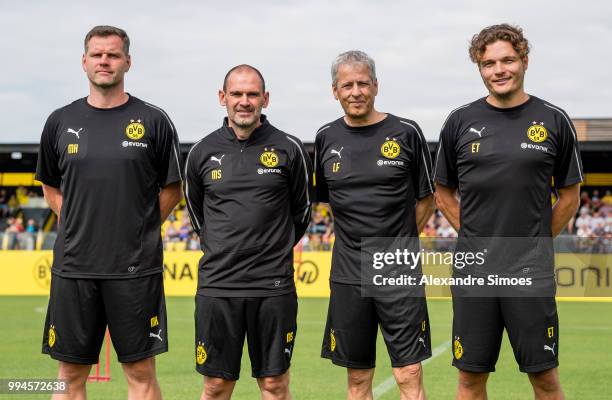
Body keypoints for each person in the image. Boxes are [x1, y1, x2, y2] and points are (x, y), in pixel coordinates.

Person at [434, 24, 582, 400]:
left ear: (524, 62)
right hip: (474, 273)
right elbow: (443, 193)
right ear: (479, 69)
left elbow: (569, 196)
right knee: (470, 380)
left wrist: (533, 241)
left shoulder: (553, 119)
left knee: (545, 379)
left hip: (529, 273)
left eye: (507, 60)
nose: (498, 70)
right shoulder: (459, 121)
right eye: (488, 63)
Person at [36, 25, 182, 400]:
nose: (105, 61)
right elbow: (49, 183)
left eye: (113, 54)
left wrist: (140, 227)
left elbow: (172, 187)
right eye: (98, 54)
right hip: (74, 265)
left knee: (139, 371)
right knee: (68, 373)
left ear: (127, 62)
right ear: (84, 61)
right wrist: (73, 221)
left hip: (134, 267)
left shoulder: (154, 120)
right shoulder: (59, 121)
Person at [184, 64, 312, 400]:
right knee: (215, 386)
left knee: (274, 384)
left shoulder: (289, 148)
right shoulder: (200, 152)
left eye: (252, 94)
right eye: (237, 94)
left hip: (272, 286)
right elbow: (197, 214)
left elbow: (302, 213)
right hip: (218, 285)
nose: (244, 101)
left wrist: (273, 250)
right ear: (222, 98)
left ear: (265, 99)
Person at [315, 50, 435, 400]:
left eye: (363, 83)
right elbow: (330, 201)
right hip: (349, 271)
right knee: (357, 377)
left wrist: (397, 241)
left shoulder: (407, 132)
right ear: (335, 91)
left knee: (408, 372)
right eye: (347, 85)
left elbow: (427, 197)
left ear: (376, 86)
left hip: (398, 269)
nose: (356, 92)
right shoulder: (325, 138)